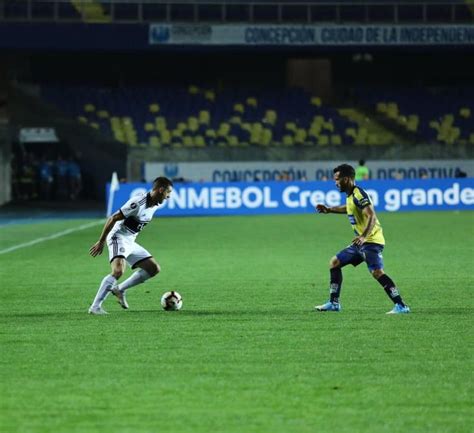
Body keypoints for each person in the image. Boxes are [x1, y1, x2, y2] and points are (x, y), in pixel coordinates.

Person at [314, 164, 410, 314]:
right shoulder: (350, 195)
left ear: (346, 179)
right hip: (360, 243)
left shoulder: (359, 194)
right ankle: (334, 303)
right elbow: (349, 208)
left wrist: (364, 236)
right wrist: (330, 209)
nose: (335, 183)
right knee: (334, 263)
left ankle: (401, 306)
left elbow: (371, 215)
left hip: (371, 241)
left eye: (337, 179)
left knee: (377, 272)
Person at [88, 176, 173, 315]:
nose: (168, 196)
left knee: (153, 268)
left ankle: (120, 289)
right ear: (161, 190)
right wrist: (101, 241)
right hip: (118, 237)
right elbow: (113, 218)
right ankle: (95, 307)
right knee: (118, 271)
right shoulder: (137, 203)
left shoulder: (156, 205)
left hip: (130, 241)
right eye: (168, 193)